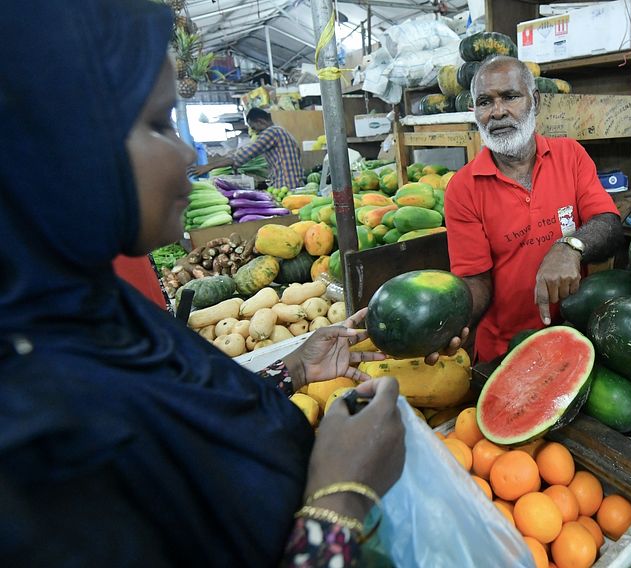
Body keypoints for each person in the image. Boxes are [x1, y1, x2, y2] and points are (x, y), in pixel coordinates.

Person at [0, 1, 403, 566]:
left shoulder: (94, 308)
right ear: (63, 141)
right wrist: (342, 500)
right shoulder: (36, 441)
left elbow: (184, 414)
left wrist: (291, 370)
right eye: (159, 123)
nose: (188, 153)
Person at [444, 56, 624, 362]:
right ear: (475, 111)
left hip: (574, 334)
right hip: (505, 349)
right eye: (485, 102)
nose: (497, 112)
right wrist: (450, 321)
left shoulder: (570, 155)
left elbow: (607, 222)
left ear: (535, 101)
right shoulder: (463, 188)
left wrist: (569, 247)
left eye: (510, 97)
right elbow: (476, 280)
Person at [192, 107, 306, 189]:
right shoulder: (281, 131)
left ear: (260, 121)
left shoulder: (271, 132)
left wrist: (209, 166)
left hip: (286, 185)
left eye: (254, 127)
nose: (255, 132)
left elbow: (243, 155)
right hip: (295, 183)